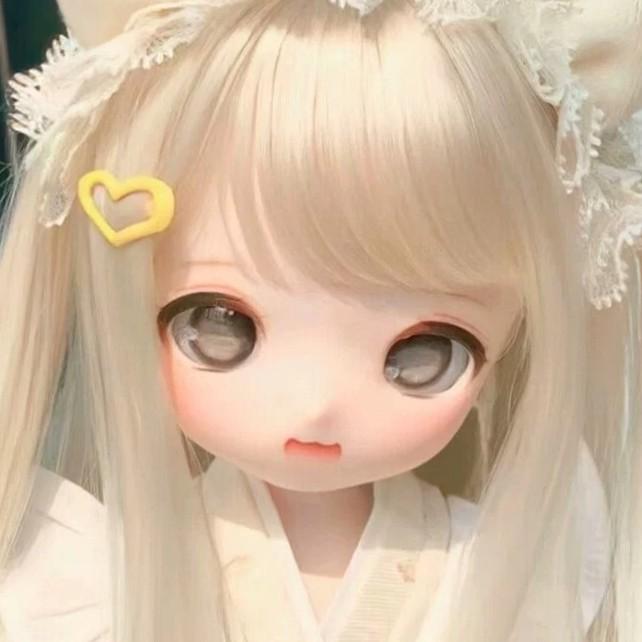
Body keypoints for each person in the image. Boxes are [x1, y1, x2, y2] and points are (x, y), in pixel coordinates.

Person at [0, 1, 640, 640]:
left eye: (423, 355)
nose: (317, 406)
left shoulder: (497, 572)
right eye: (222, 328)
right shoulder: (100, 577)